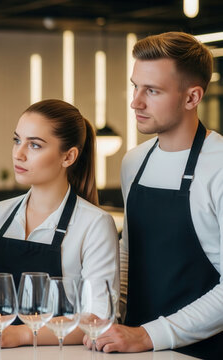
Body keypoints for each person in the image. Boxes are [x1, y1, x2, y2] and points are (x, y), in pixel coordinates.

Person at [88, 32, 223, 358]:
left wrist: (148, 335)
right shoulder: (134, 161)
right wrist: (108, 319)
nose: (136, 101)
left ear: (192, 97)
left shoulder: (219, 166)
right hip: (135, 345)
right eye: (136, 86)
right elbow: (129, 253)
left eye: (152, 90)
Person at [0, 99, 119, 349]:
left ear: (68, 156)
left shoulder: (95, 224)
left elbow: (97, 318)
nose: (19, 153)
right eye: (17, 140)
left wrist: (21, 335)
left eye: (34, 145)